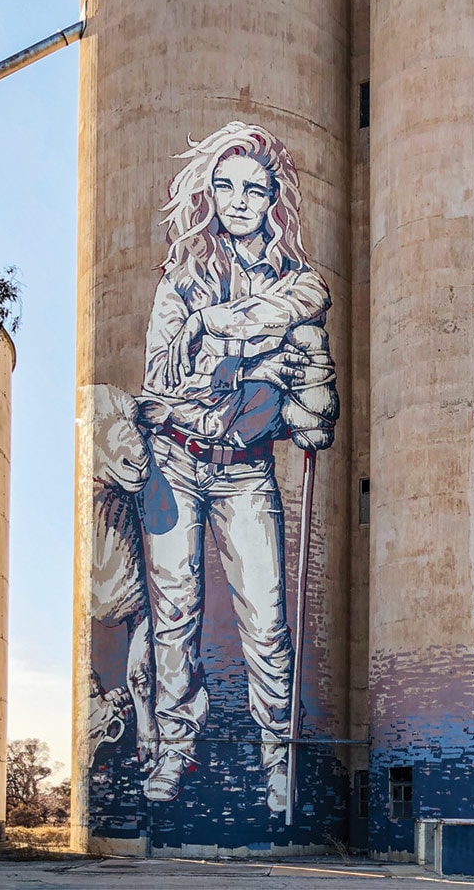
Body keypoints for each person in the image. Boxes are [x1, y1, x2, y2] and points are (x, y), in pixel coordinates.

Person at [138, 120, 337, 812]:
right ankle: (173, 748)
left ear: (274, 196)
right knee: (175, 614)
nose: (238, 200)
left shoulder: (297, 279)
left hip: (248, 468)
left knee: (266, 619)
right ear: (210, 193)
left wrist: (222, 332)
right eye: (225, 186)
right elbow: (159, 378)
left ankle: (279, 756)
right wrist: (256, 359)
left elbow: (310, 326)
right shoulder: (183, 273)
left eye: (254, 188)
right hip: (176, 459)